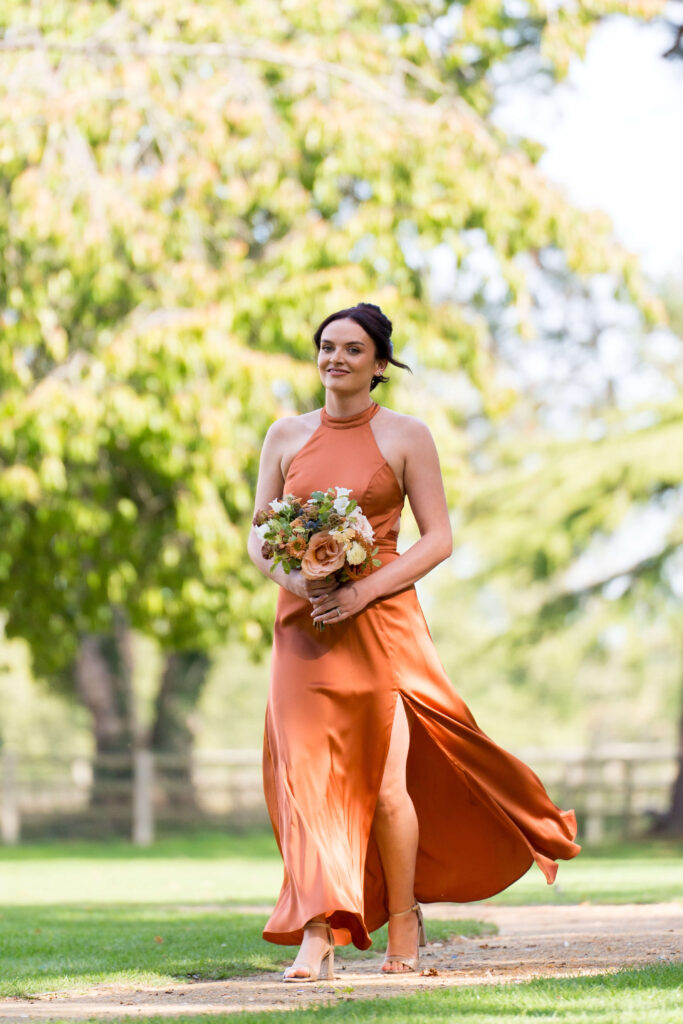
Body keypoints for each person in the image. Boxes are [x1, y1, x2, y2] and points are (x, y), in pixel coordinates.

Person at [247, 302, 580, 982]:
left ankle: (403, 925)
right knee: (304, 781)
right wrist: (299, 581)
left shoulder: (406, 436)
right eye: (326, 346)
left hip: (380, 625)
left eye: (351, 349)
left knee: (388, 787)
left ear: (377, 364)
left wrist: (360, 592)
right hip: (302, 630)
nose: (335, 357)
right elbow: (257, 532)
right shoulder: (283, 436)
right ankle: (318, 933)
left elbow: (438, 539)